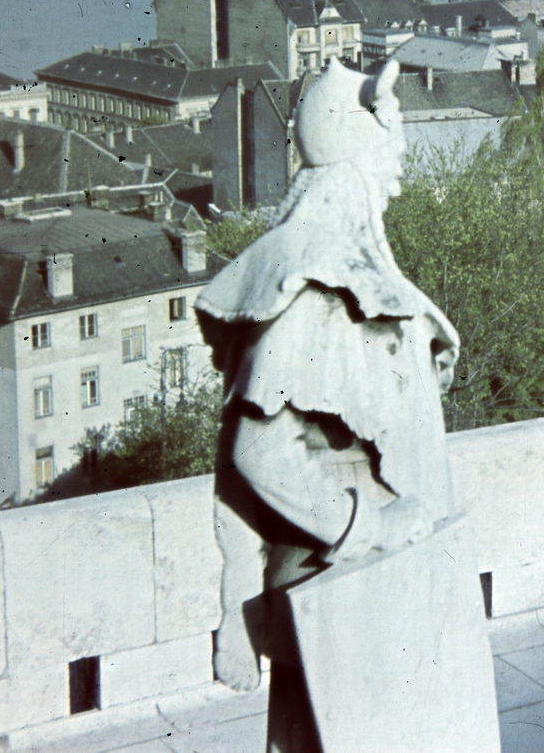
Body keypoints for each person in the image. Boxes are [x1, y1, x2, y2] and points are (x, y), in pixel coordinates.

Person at [197, 59, 462, 753]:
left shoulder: (333, 268)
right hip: (340, 584)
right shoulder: (316, 281)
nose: (396, 175)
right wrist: (368, 525)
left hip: (363, 586)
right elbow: (254, 452)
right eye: (387, 158)